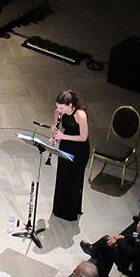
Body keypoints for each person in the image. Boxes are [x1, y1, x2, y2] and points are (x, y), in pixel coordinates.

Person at [51, 90, 89, 221]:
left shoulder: (80, 115)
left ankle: (71, 212)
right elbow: (54, 126)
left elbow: (83, 137)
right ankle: (59, 209)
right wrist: (54, 135)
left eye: (61, 108)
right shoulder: (59, 112)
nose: (59, 110)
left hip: (79, 150)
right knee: (63, 177)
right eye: (58, 107)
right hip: (66, 145)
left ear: (70, 105)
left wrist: (63, 136)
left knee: (73, 180)